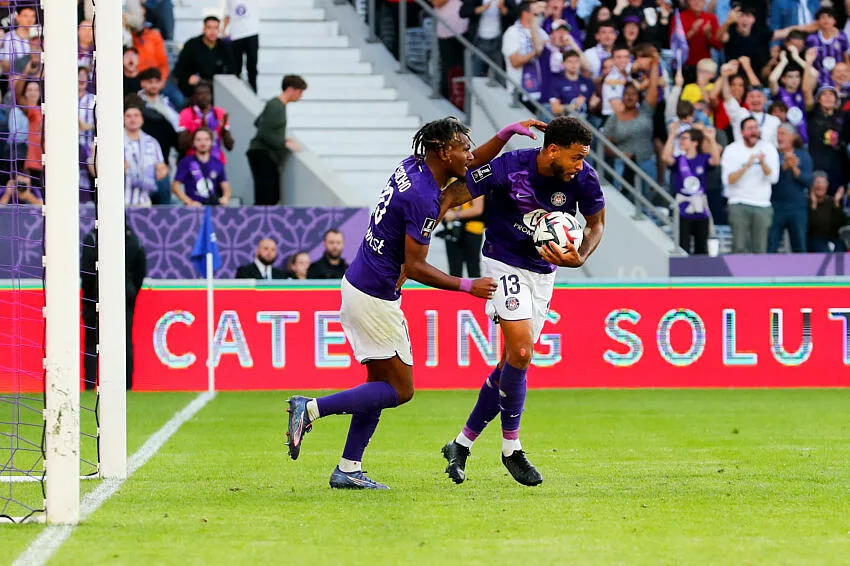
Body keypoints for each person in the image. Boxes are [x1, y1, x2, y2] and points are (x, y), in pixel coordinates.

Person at [284, 118, 543, 490]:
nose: (469, 154)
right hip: (374, 297)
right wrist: (466, 284)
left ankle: (349, 468)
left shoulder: (414, 166)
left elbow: (471, 165)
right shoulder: (422, 198)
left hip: (361, 283)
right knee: (401, 390)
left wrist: (503, 135)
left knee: (378, 382)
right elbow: (415, 266)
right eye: (463, 147)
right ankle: (309, 409)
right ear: (443, 151)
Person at [439, 116, 605, 486]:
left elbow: (595, 225)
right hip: (503, 263)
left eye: (583, 158)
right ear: (551, 150)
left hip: (544, 274)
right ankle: (511, 449)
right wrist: (412, 249)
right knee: (523, 353)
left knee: (513, 361)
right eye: (576, 157)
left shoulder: (584, 178)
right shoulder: (511, 167)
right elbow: (453, 195)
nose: (580, 165)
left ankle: (461, 444)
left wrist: (581, 256)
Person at [81, 224, 147, 390]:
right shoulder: (133, 239)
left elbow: (86, 272)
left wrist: (89, 296)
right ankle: (126, 385)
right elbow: (141, 270)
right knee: (124, 341)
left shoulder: (93, 238)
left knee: (91, 341)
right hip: (124, 297)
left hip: (96, 297)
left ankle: (90, 384)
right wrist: (131, 291)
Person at [721, 116, 780, 253]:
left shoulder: (768, 148)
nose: (754, 131)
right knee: (739, 247)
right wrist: (747, 166)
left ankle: (759, 274)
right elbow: (728, 180)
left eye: (756, 128)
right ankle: (738, 274)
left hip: (762, 204)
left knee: (760, 248)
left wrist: (763, 163)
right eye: (750, 128)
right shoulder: (732, 149)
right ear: (742, 132)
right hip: (738, 202)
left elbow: (773, 178)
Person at [247, 75, 307, 205]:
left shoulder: (274, 104)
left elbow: (259, 123)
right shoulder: (276, 106)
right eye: (300, 92)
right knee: (266, 197)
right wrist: (283, 142)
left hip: (261, 154)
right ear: (290, 89)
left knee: (268, 196)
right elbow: (263, 131)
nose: (300, 96)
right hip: (263, 154)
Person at [662, 125, 720, 254]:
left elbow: (715, 161)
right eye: (681, 138)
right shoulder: (679, 160)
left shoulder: (702, 158)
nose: (681, 141)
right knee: (683, 246)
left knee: (701, 247)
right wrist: (672, 135)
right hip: (683, 208)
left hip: (700, 208)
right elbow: (666, 158)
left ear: (694, 142)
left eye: (685, 138)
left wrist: (711, 139)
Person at [769, 123, 813, 253]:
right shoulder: (773, 155)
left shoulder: (803, 155)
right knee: (771, 245)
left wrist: (794, 168)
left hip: (798, 208)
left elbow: (808, 180)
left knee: (799, 245)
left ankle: (802, 272)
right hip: (776, 207)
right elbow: (770, 180)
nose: (779, 137)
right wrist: (784, 167)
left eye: (782, 134)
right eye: (778, 134)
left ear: (792, 137)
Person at [172, 15, 234, 98]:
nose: (213, 31)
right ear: (204, 29)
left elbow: (232, 70)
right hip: (194, 87)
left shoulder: (224, 47)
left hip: (217, 88)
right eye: (209, 27)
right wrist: (188, 78)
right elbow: (179, 70)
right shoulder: (192, 45)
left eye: (216, 28)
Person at [177, 81, 234, 165]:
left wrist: (224, 130)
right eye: (200, 94)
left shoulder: (219, 113)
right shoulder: (186, 113)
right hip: (193, 163)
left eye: (207, 94)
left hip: (216, 162)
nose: (204, 97)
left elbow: (230, 146)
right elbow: (181, 144)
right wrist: (202, 128)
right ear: (194, 97)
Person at [172, 128, 231, 207]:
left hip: (213, 207)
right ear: (193, 142)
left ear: (211, 142)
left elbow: (225, 186)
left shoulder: (217, 163)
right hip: (193, 208)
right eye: (198, 140)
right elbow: (175, 186)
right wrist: (189, 202)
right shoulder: (186, 162)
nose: (203, 143)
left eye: (206, 139)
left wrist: (225, 198)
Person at [439, 195, 485, 277]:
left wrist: (455, 215)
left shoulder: (475, 184)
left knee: (473, 268)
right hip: (453, 229)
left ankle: (475, 288)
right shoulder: (450, 182)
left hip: (472, 229)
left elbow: (478, 209)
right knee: (454, 270)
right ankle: (455, 288)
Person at [223, 0, 260, 92]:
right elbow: (227, 15)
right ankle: (236, 91)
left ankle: (253, 92)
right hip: (236, 35)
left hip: (251, 32)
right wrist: (223, 30)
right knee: (235, 68)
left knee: (252, 67)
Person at [807, 172, 847, 251]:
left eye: (823, 183)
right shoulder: (807, 202)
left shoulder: (832, 201)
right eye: (817, 182)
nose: (820, 186)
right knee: (822, 249)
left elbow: (840, 224)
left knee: (841, 248)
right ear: (812, 186)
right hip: (814, 239)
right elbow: (811, 226)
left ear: (827, 186)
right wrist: (814, 205)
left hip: (832, 239)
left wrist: (836, 202)